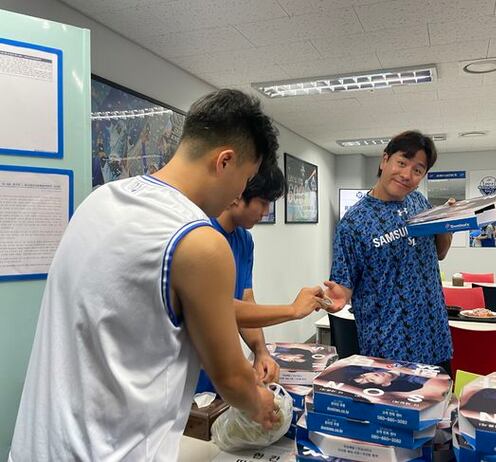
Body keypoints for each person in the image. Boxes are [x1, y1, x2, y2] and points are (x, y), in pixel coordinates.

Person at [9, 89, 321, 461]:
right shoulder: (199, 241)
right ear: (225, 161)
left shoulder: (100, 200)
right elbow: (233, 380)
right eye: (246, 177)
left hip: (38, 447)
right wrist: (262, 405)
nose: (240, 192)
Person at [324, 130, 454, 373]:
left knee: (440, 398)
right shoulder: (353, 223)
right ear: (385, 160)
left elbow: (440, 252)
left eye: (417, 170)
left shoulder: (420, 203)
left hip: (435, 338)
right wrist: (338, 296)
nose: (407, 175)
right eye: (402, 163)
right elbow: (343, 284)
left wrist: (447, 223)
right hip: (387, 348)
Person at [195, 163, 329, 393]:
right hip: (189, 370)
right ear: (238, 194)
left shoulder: (244, 240)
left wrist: (260, 351)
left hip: (220, 370)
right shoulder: (201, 237)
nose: (266, 212)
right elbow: (219, 309)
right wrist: (293, 310)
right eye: (263, 203)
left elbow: (245, 300)